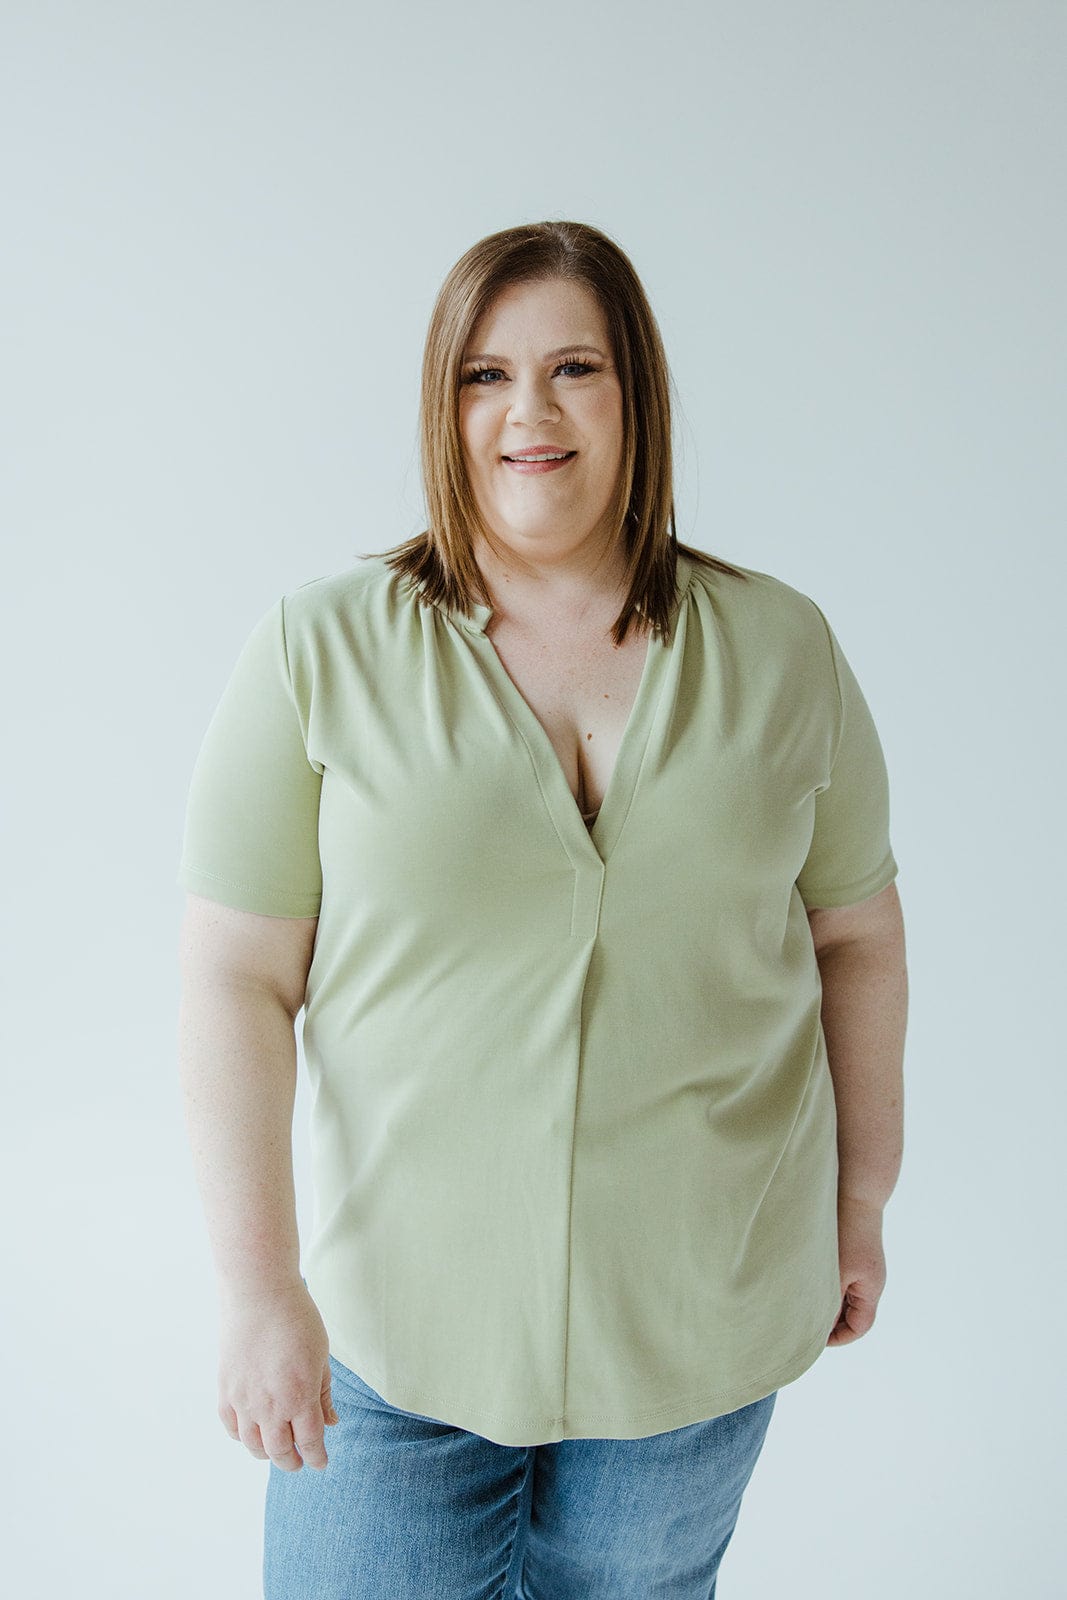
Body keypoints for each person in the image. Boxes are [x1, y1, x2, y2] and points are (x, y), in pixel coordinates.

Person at [176, 219, 908, 1598]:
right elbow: (235, 980)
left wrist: (861, 1197)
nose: (530, 412)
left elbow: (858, 937)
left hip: (702, 1330)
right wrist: (260, 1287)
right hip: (391, 1339)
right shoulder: (317, 652)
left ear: (636, 394)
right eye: (483, 375)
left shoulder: (784, 649)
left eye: (575, 367)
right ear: (442, 404)